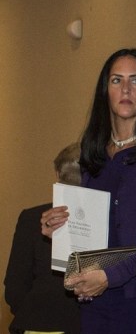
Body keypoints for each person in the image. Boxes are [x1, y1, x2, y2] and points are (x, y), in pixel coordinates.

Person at [43, 48, 136, 333]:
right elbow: (91, 233)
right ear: (105, 90)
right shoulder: (92, 158)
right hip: (95, 301)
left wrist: (109, 276)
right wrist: (59, 229)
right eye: (116, 80)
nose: (126, 88)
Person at [5, 143, 81, 334]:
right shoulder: (108, 219)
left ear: (57, 174)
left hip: (38, 321)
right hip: (88, 322)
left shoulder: (31, 218)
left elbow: (15, 285)